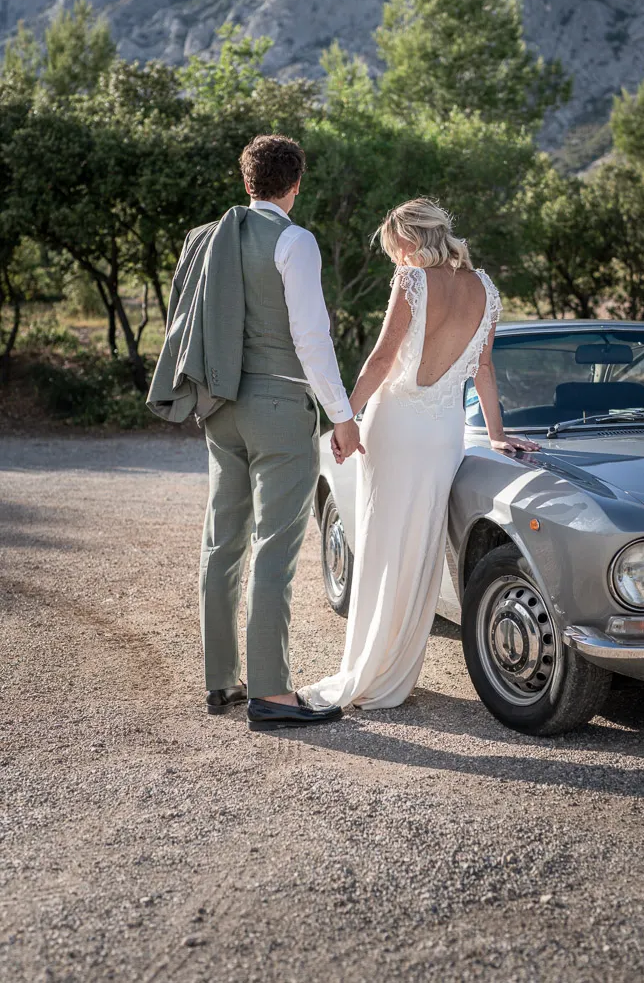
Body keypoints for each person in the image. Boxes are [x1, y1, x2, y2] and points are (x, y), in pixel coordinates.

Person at [150, 134, 362, 730]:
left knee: (223, 541)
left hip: (219, 406)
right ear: (295, 185)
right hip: (278, 407)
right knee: (276, 545)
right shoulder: (295, 240)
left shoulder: (205, 240)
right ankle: (272, 694)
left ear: (248, 182)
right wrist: (341, 416)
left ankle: (221, 685)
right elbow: (311, 339)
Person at [299, 198, 540, 712]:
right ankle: (394, 672)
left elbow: (384, 357)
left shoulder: (412, 280)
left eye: (395, 249)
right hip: (442, 435)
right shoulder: (486, 289)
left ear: (410, 241)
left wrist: (346, 416)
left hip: (396, 425)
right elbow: (485, 372)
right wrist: (497, 435)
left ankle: (367, 668)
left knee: (384, 543)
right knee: (420, 546)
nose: (395, 259)